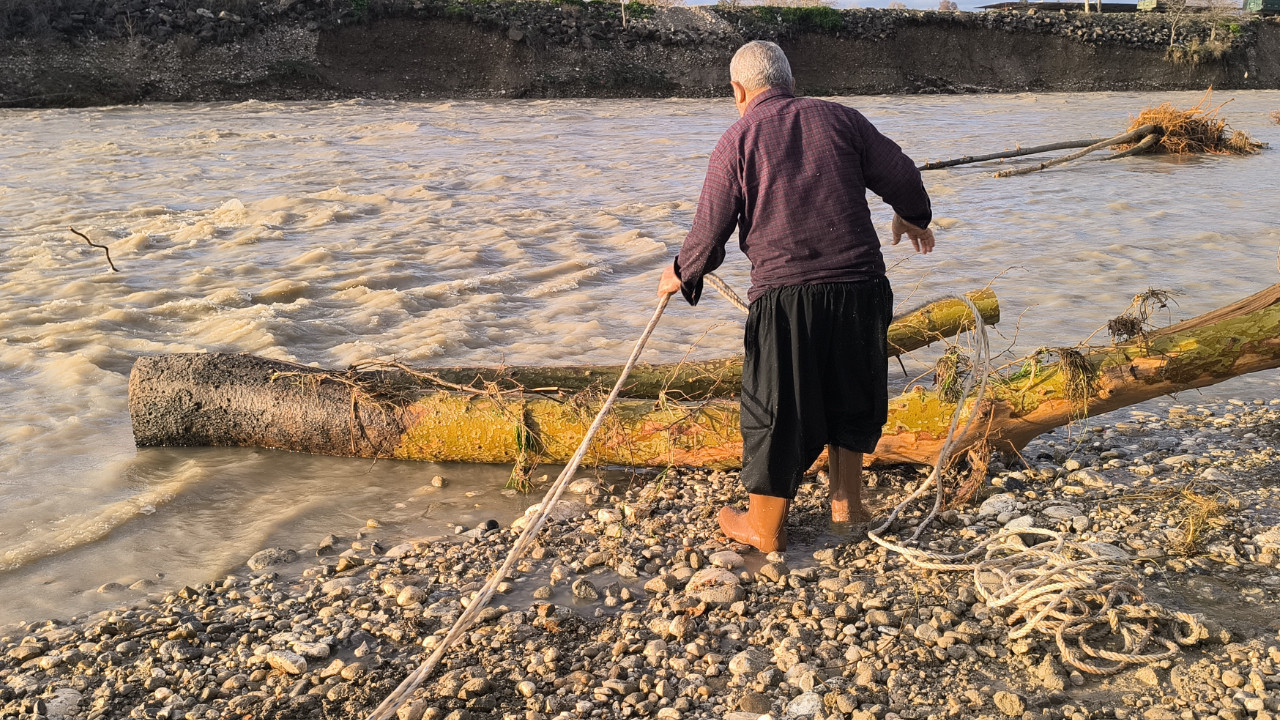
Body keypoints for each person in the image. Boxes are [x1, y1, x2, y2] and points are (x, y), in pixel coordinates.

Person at [656, 40, 936, 553]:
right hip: (861, 287)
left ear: (738, 90)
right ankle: (846, 507)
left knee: (774, 407)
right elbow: (902, 174)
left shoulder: (737, 138)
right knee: (854, 391)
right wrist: (912, 216)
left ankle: (765, 528)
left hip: (786, 297)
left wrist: (681, 272)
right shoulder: (842, 119)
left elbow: (711, 230)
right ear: (788, 82)